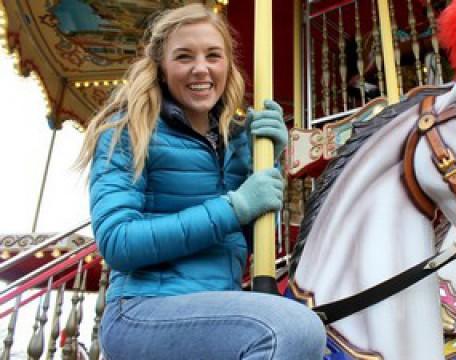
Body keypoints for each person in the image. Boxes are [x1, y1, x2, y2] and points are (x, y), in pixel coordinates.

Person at [76, 4, 326, 359]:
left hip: (214, 305)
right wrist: (234, 206)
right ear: (162, 69)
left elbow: (246, 245)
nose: (201, 68)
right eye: (184, 57)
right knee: (291, 328)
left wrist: (265, 162)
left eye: (213, 55)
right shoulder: (129, 131)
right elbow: (117, 242)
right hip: (144, 308)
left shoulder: (236, 140)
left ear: (227, 65)